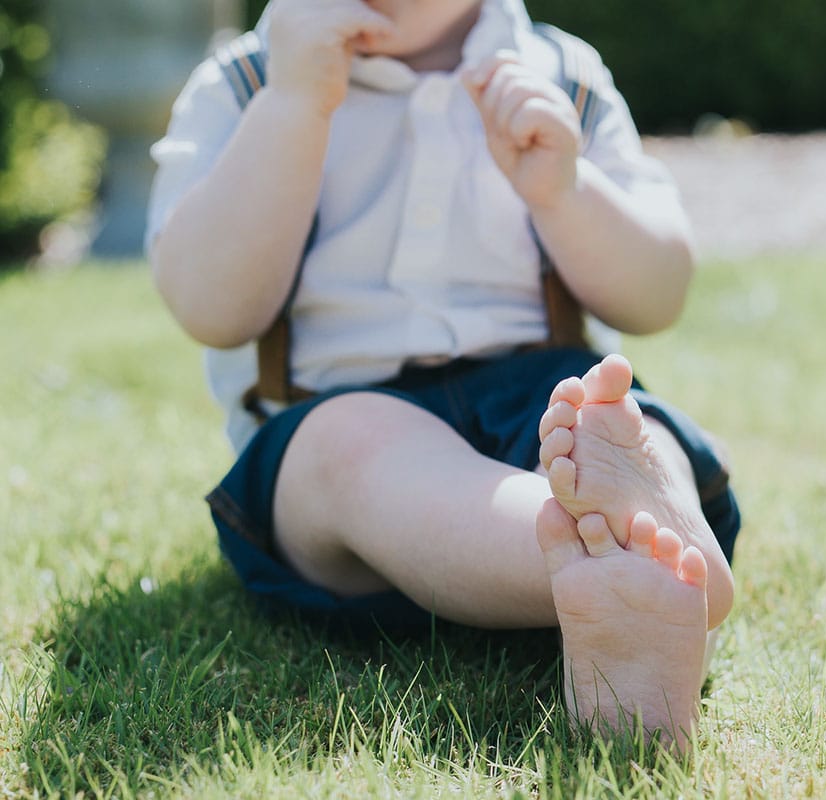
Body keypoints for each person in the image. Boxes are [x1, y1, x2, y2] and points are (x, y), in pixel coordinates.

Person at [146, 0, 740, 751]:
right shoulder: (249, 80)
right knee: (357, 445)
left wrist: (564, 190)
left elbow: (659, 293)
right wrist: (293, 104)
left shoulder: (562, 76)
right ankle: (621, 557)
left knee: (608, 423)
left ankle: (641, 551)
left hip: (541, 397)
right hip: (336, 417)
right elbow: (208, 305)